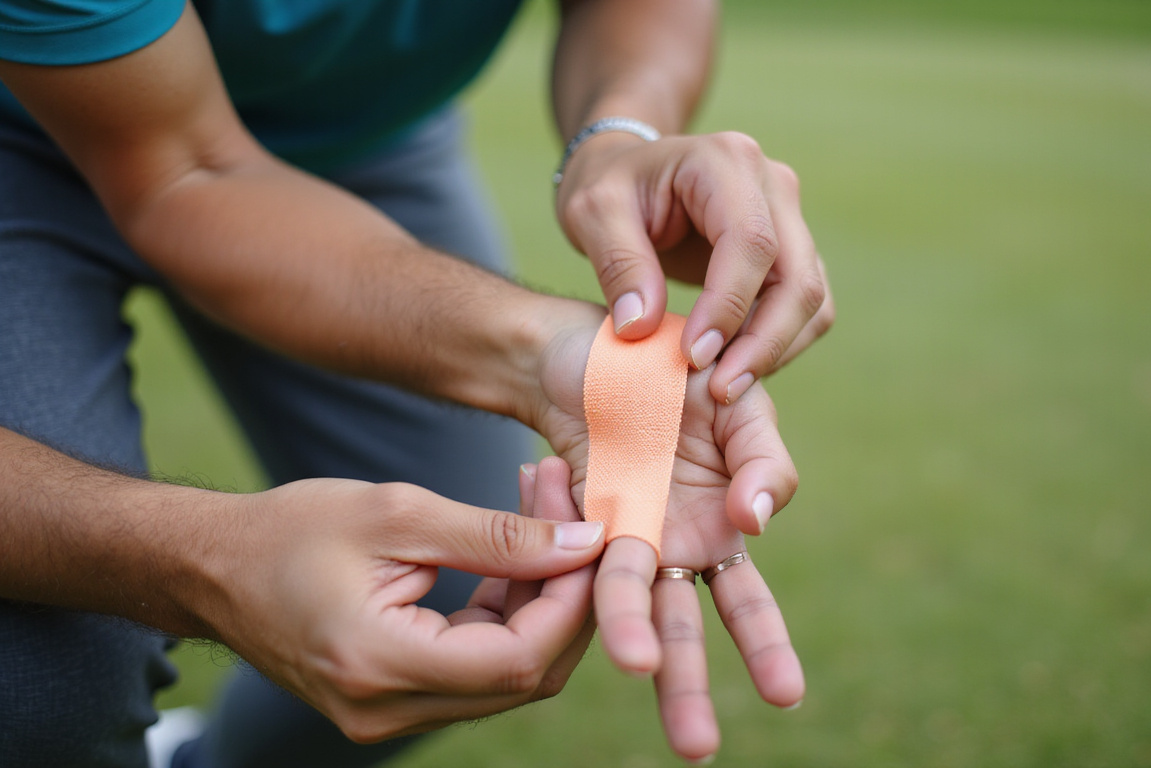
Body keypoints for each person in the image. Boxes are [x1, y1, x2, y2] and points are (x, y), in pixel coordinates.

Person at [0, 0, 833, 766]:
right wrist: (202, 561)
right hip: (27, 121)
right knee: (46, 686)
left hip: (364, 137)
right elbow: (182, 172)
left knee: (454, 593)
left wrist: (619, 138)